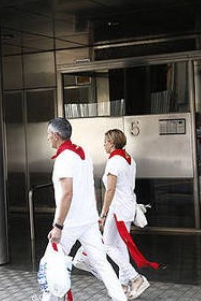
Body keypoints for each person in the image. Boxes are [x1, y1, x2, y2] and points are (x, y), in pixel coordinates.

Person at [41, 117, 127, 301]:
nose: (47, 137)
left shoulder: (64, 158)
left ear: (56, 135)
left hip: (69, 223)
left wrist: (58, 226)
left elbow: (67, 194)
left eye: (48, 134)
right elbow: (89, 186)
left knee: (52, 265)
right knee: (102, 264)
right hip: (88, 220)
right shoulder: (83, 154)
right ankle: (121, 298)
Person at [99, 129, 150, 299]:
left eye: (105, 141)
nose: (104, 144)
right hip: (127, 206)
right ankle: (122, 285)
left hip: (117, 209)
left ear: (112, 143)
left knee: (107, 245)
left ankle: (135, 278)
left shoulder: (114, 161)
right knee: (120, 247)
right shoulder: (129, 160)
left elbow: (110, 190)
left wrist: (103, 214)